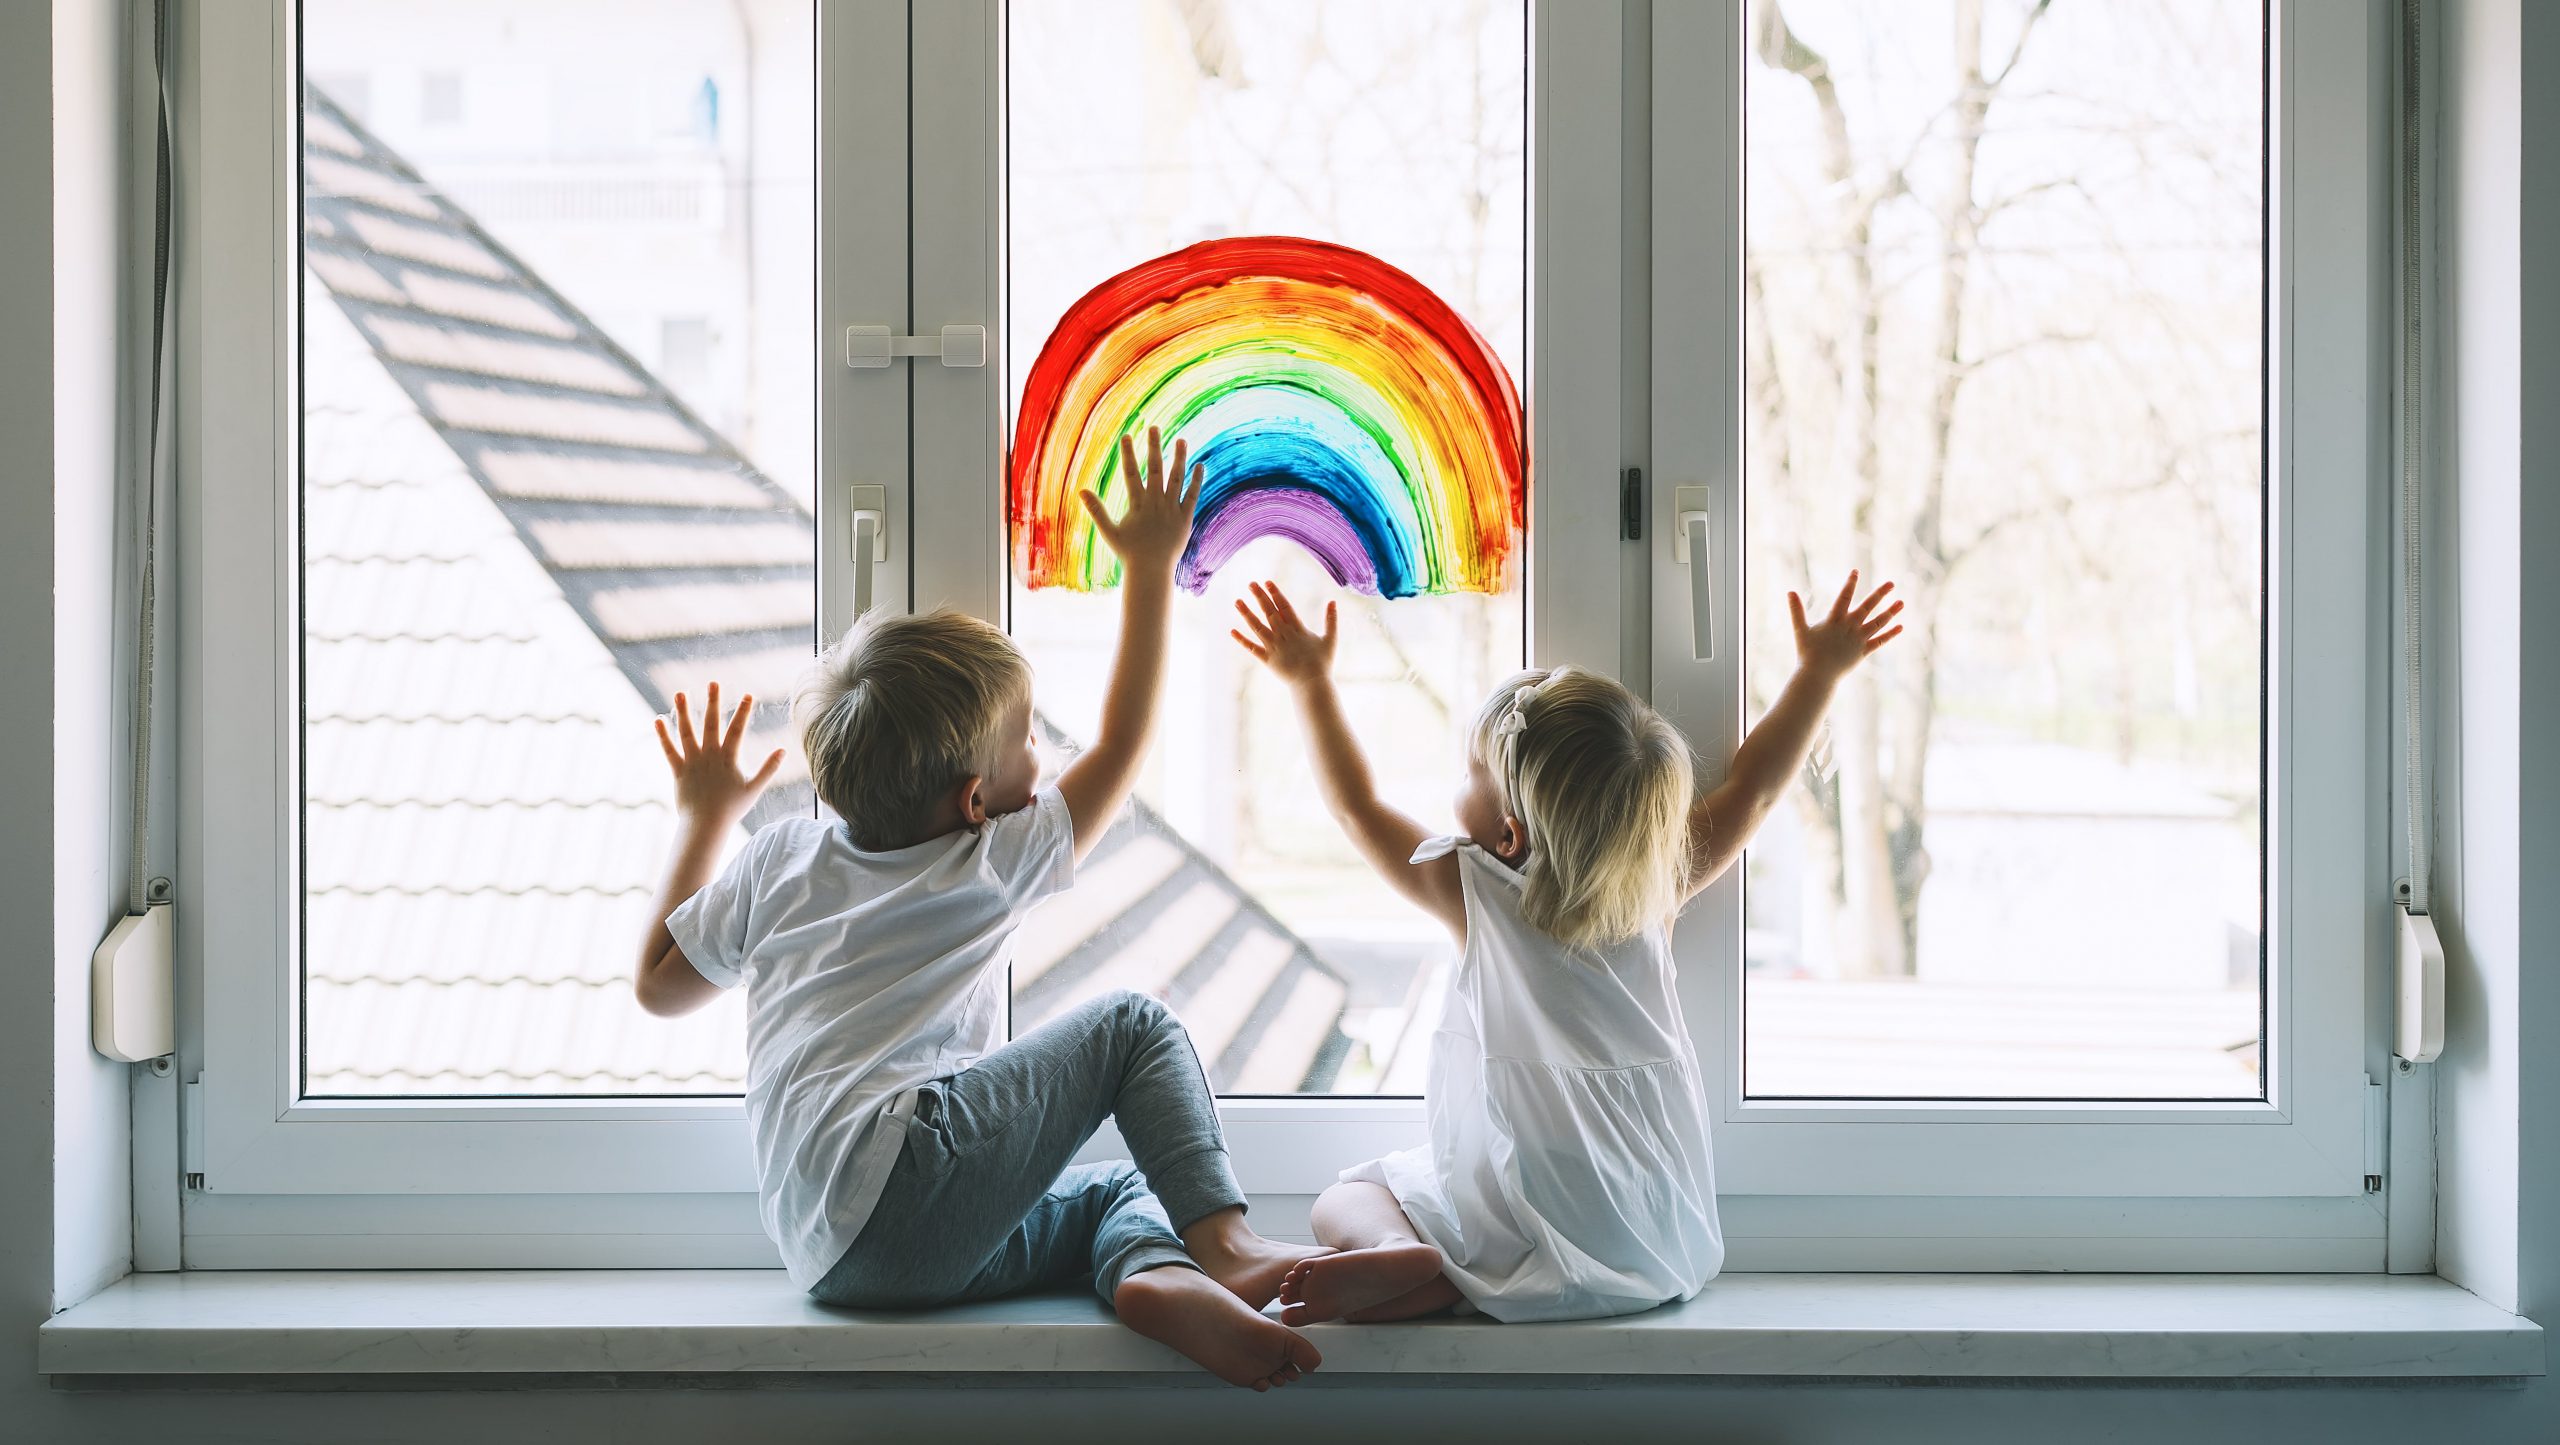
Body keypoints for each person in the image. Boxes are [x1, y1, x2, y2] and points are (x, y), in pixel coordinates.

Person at [634, 429, 1324, 1389]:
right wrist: (1147, 571)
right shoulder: (980, 861)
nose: (1040, 751)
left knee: (1110, 1195)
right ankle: (1234, 1245)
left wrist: (705, 817)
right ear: (973, 802)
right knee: (1131, 1025)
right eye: (1025, 739)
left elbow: (659, 988)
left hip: (832, 1259)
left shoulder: (781, 857)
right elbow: (1123, 745)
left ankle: (1156, 1281)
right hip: (906, 1180)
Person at [1231, 572, 1903, 1324]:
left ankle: (1409, 1254)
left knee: (1348, 1196)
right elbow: (1755, 790)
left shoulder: (1473, 890)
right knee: (1472, 1217)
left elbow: (1357, 810)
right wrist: (1821, 672)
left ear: (1507, 835)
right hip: (1654, 1240)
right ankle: (1447, 1275)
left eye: (1471, 773)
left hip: (1526, 1219)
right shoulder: (1655, 888)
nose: (1460, 781)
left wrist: (1310, 680)